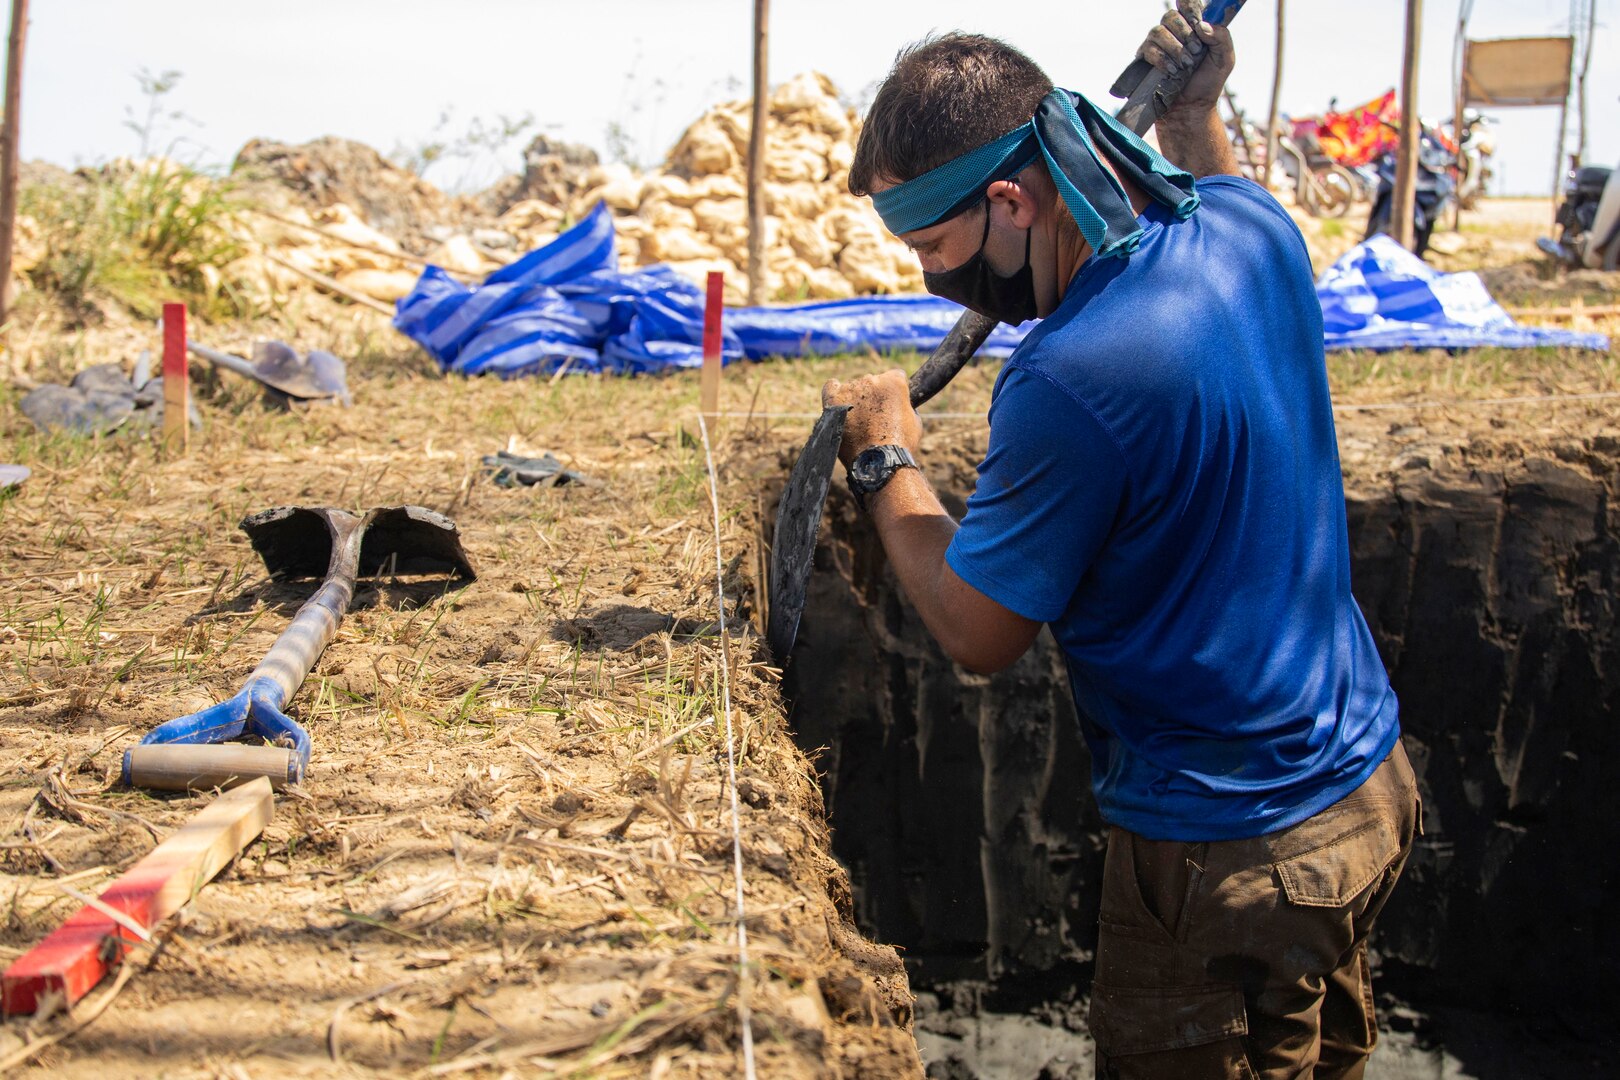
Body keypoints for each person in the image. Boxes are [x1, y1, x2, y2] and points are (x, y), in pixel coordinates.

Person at [824, 3, 1422, 1077]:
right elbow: (1215, 189)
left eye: (934, 245)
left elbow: (979, 629)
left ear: (1010, 199)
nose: (929, 278)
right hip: (1363, 787)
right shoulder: (1255, 232)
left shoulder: (1071, 375)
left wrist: (884, 462)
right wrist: (1197, 114)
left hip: (1229, 850)